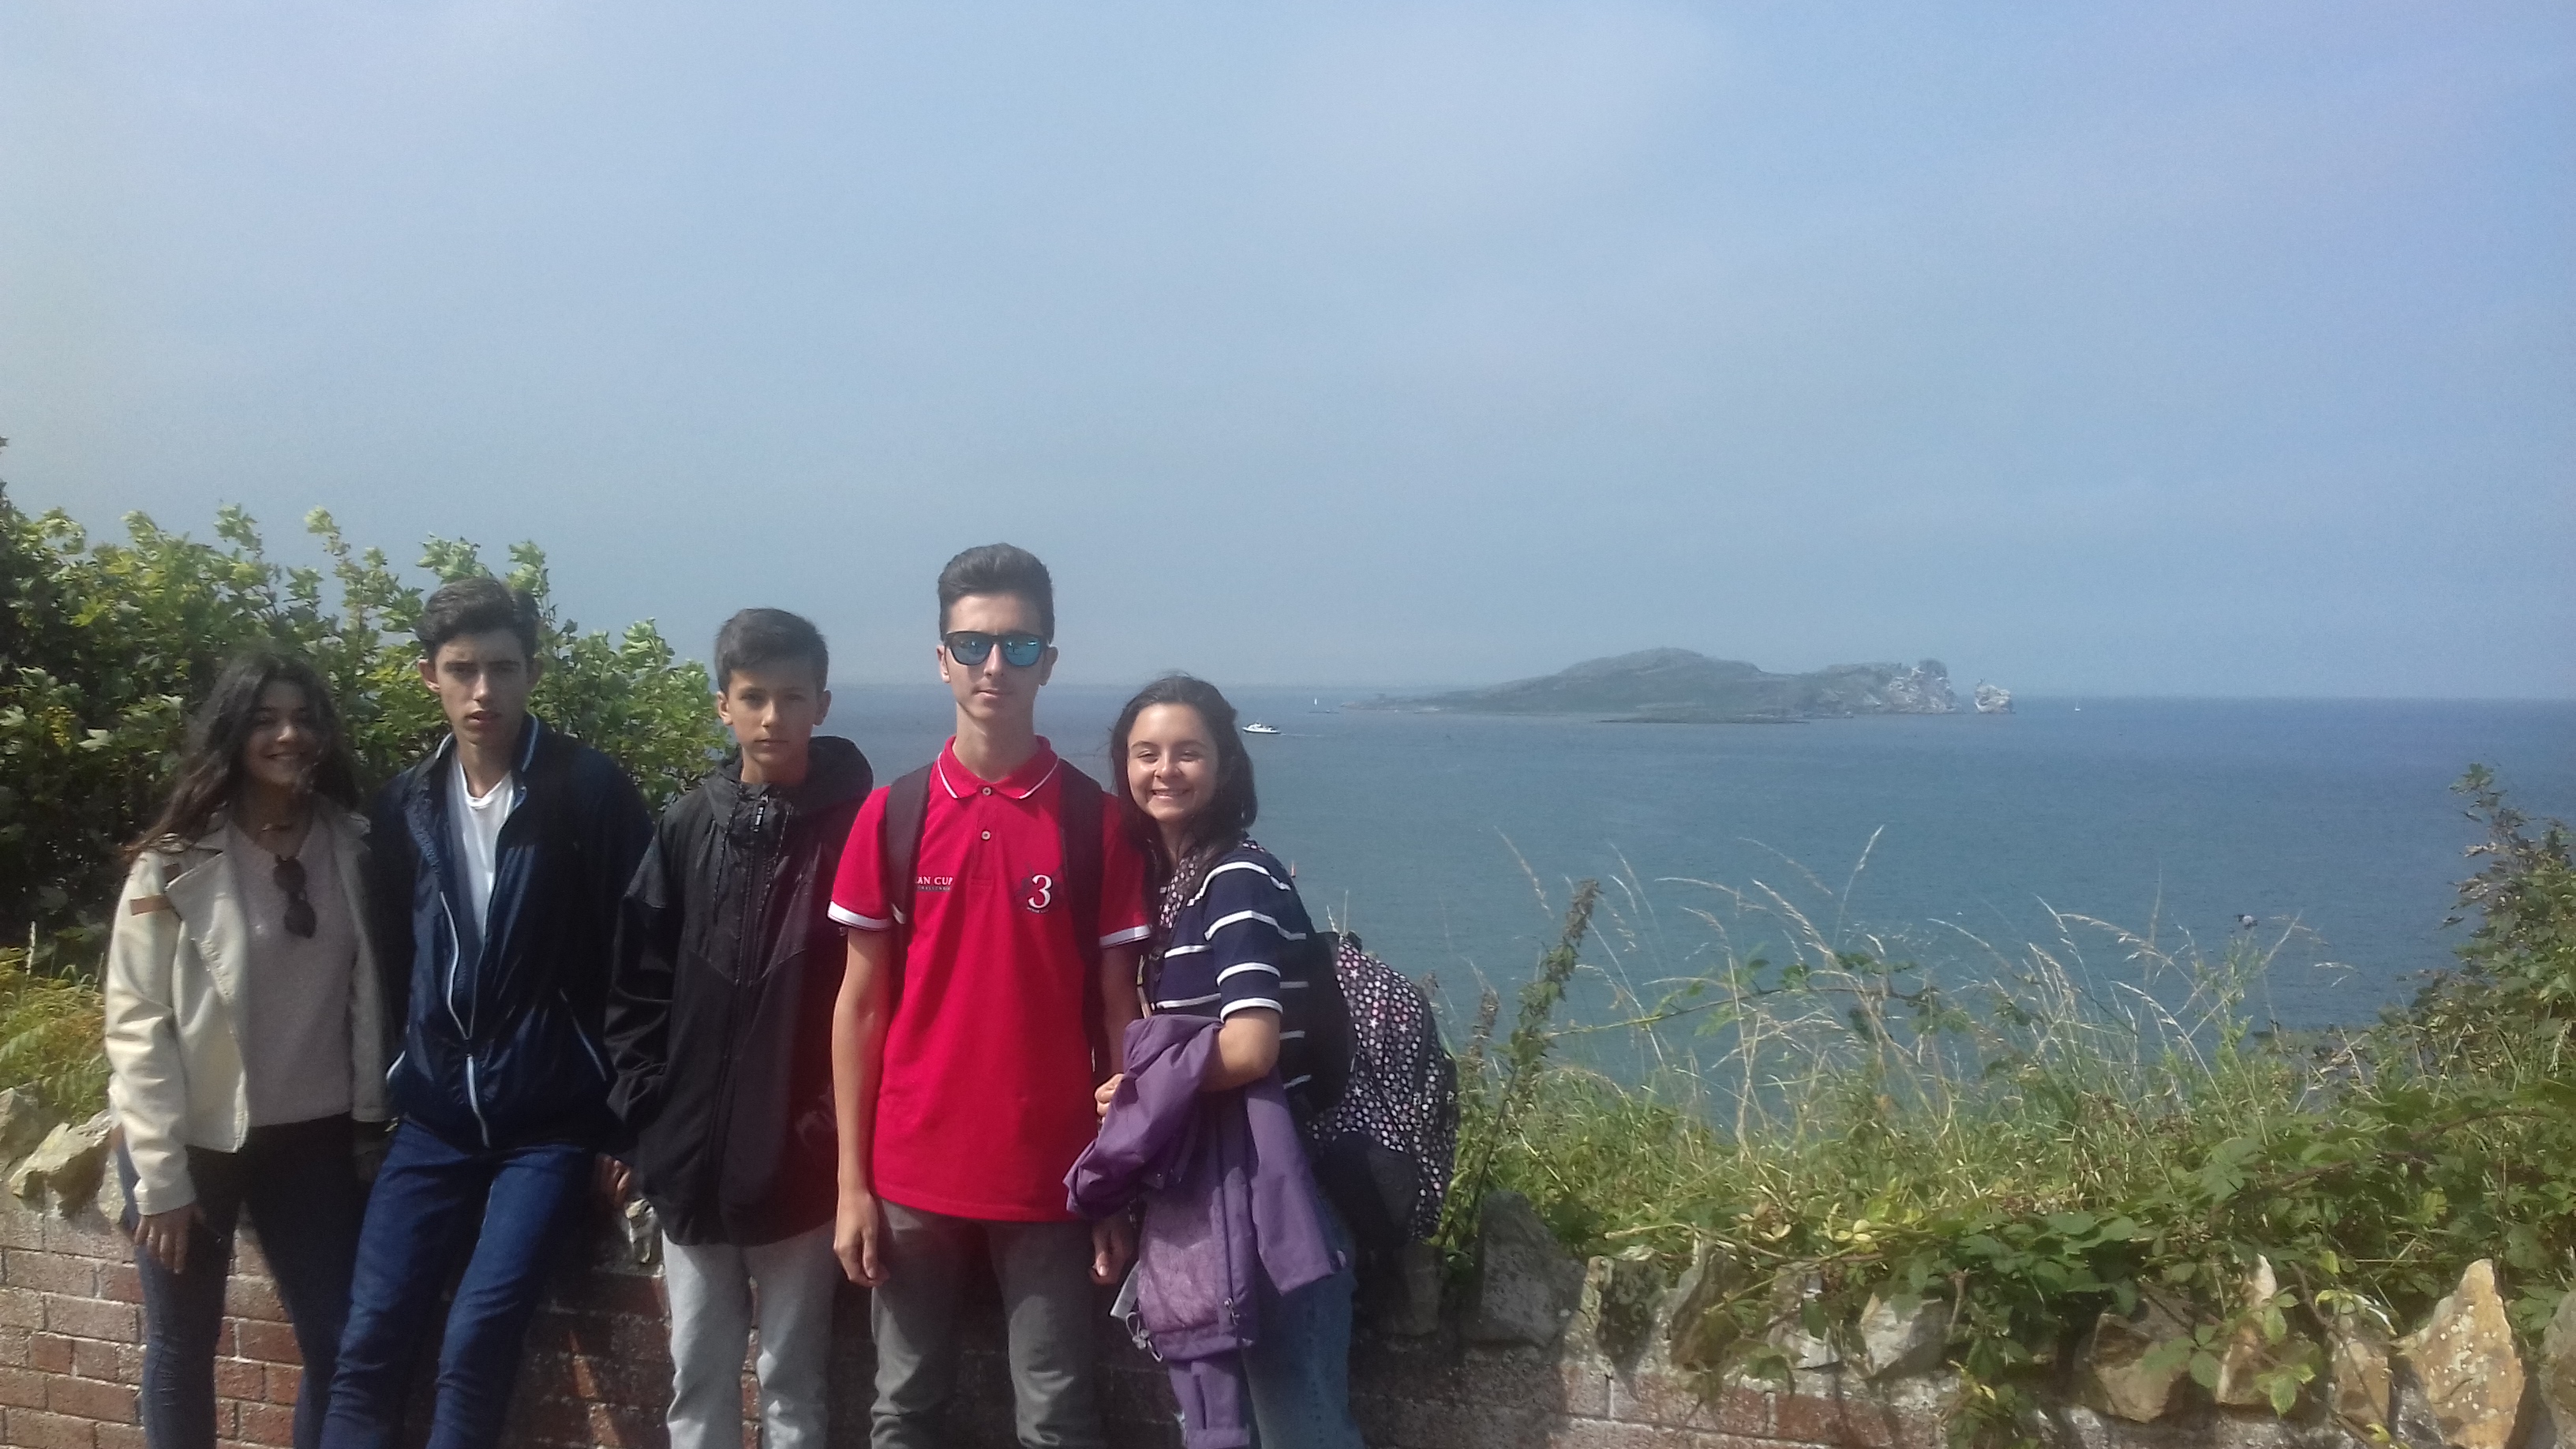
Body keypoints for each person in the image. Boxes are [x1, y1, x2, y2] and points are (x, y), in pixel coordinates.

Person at [828, 543, 1151, 1449]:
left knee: (1057, 1419)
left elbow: (1120, 1016)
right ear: (942, 659)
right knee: (903, 1412)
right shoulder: (892, 816)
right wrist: (851, 1185)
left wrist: (1118, 1181)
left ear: (1050, 660)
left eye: (1019, 645)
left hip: (1052, 1175)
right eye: (972, 645)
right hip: (910, 1172)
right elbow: (858, 1009)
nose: (994, 666)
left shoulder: (1095, 823)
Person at [324, 577, 654, 1449]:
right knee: (368, 1340)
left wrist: (626, 1122)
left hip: (549, 1124)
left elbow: (642, 962)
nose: (483, 692)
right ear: (428, 675)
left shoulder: (587, 791)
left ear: (532, 673)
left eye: (502, 669)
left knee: (476, 1339)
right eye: (462, 670)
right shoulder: (405, 805)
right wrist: (397, 1077)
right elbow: (393, 957)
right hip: (433, 1118)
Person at [103, 650, 389, 1449]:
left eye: (302, 718)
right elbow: (136, 1021)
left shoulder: (355, 847)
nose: (287, 735)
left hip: (316, 1142)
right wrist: (160, 1178)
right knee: (182, 1347)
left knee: (341, 1344)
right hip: (193, 1142)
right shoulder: (173, 861)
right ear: (233, 733)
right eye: (265, 720)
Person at [607, 608, 872, 1449]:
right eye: (753, 697)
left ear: (822, 704)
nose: (772, 717)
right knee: (696, 1378)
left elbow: (880, 1000)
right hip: (688, 1167)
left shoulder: (859, 833)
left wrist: (821, 1134)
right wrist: (651, 1118)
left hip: (800, 1170)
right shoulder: (688, 824)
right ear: (723, 704)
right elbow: (636, 984)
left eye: (792, 697)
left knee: (792, 1384)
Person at [1104, 674, 1367, 1449]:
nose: (1165, 770)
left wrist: (1142, 1091)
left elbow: (1250, 1045)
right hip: (1223, 1195)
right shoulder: (1179, 885)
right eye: (1146, 753)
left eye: (1188, 752)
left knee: (1302, 1432)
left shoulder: (1236, 878)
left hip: (1277, 1199)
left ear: (1225, 765)